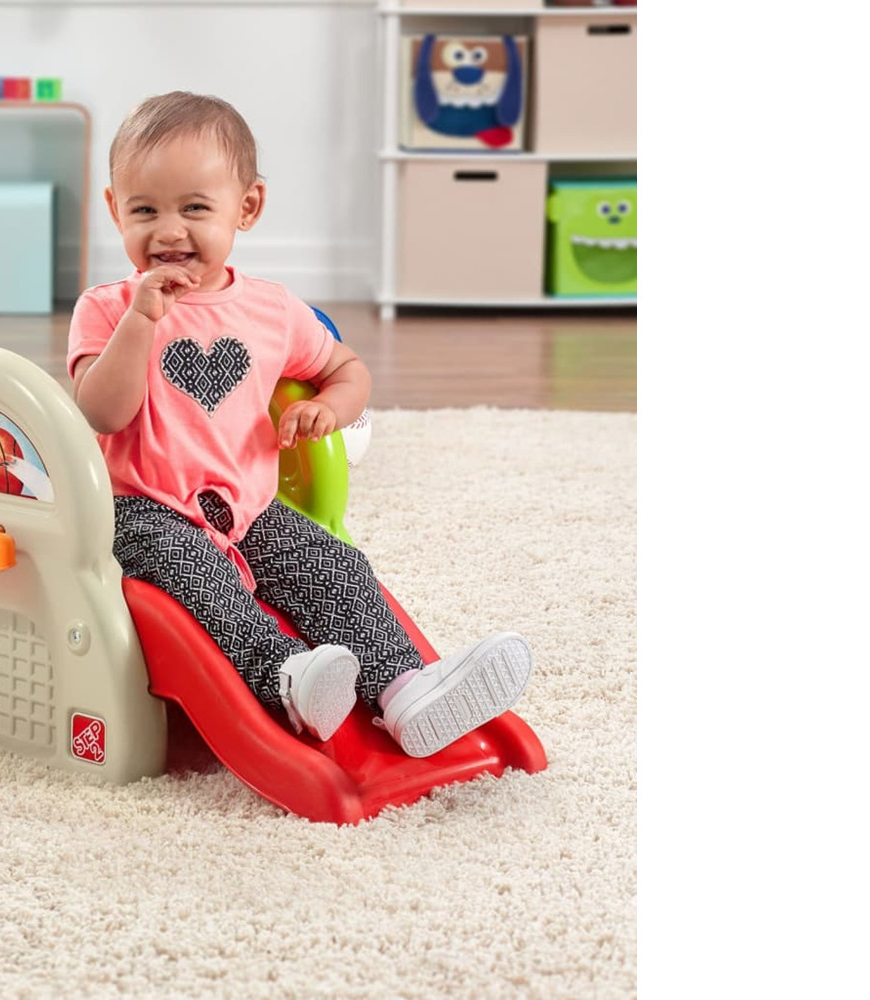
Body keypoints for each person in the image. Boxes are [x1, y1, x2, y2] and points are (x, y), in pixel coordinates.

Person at [66, 92, 531, 755]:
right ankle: (282, 675)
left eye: (194, 209)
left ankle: (404, 690)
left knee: (332, 563)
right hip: (141, 510)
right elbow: (102, 412)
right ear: (116, 210)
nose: (168, 232)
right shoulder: (106, 308)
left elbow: (348, 369)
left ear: (247, 207)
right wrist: (141, 322)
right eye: (145, 211)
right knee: (194, 575)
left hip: (249, 506)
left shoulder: (273, 310)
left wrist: (329, 407)